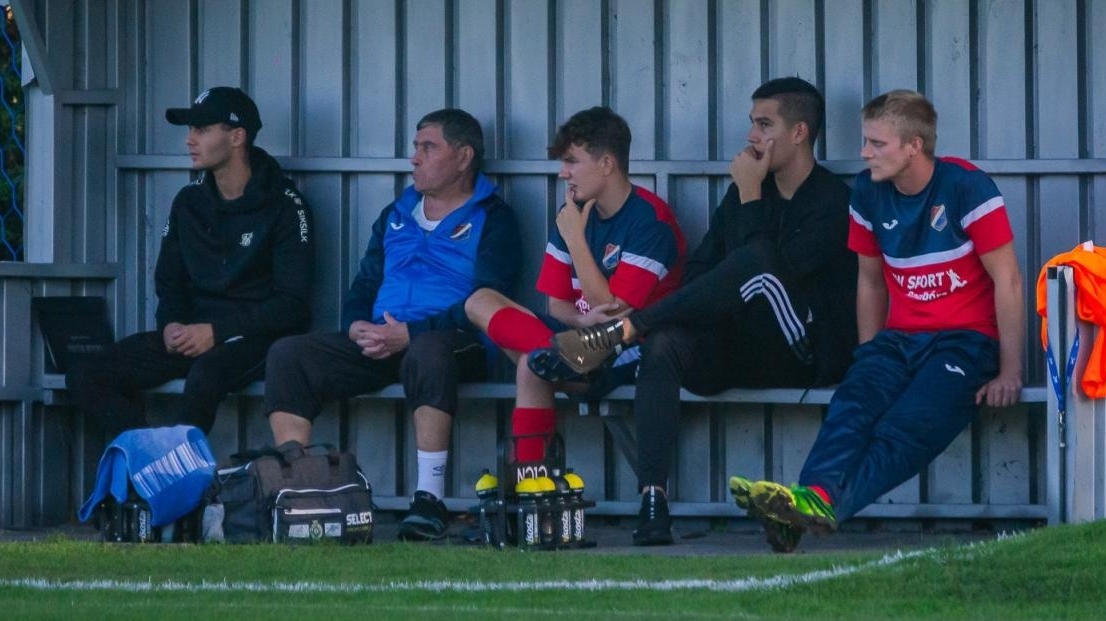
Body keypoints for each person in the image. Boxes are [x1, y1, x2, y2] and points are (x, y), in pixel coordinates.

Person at [524, 78, 856, 546]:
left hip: (800, 349)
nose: (751, 138)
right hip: (738, 349)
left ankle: (623, 331)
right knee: (664, 344)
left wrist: (750, 196)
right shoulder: (743, 193)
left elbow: (765, 274)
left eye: (765, 125)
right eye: (751, 124)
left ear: (799, 133)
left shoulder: (832, 202)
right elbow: (702, 270)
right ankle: (653, 501)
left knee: (755, 265)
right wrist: (746, 198)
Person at [728, 89, 1024, 551]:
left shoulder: (968, 187)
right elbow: (870, 282)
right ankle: (812, 501)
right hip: (897, 341)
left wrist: (1010, 370)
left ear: (914, 147)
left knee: (903, 428)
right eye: (865, 142)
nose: (864, 153)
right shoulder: (868, 190)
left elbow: (1008, 281)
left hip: (965, 345)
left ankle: (813, 507)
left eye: (876, 144)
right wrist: (869, 355)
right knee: (852, 405)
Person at [262, 109, 522, 541]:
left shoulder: (494, 217)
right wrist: (356, 327)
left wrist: (413, 333)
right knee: (290, 354)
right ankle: (298, 492)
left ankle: (428, 499)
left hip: (459, 344)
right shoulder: (396, 213)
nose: (414, 158)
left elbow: (486, 299)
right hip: (383, 341)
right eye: (415, 147)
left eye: (428, 147)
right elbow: (365, 282)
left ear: (463, 157)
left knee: (429, 350)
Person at [67, 87, 315, 443]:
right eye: (190, 130)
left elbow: (292, 305)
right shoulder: (189, 202)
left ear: (236, 137)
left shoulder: (286, 205)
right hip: (191, 337)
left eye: (201, 129)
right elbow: (169, 283)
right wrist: (170, 325)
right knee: (86, 374)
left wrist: (216, 330)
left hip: (254, 340)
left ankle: (181, 481)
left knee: (205, 375)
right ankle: (151, 458)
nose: (189, 140)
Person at [463, 106, 685, 486]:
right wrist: (577, 323)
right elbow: (558, 304)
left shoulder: (650, 221)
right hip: (577, 340)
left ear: (607, 164)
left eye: (571, 161)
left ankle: (529, 485)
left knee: (532, 364)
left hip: (624, 347)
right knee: (478, 301)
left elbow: (613, 312)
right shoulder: (572, 214)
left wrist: (576, 239)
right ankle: (560, 359)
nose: (563, 173)